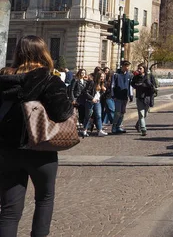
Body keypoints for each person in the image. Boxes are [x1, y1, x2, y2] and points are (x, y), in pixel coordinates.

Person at [0, 35, 74, 237]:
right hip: (41, 149)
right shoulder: (50, 80)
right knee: (44, 199)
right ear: (44, 54)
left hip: (7, 151)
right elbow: (62, 113)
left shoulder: (4, 79)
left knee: (9, 210)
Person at [132, 65, 157, 136]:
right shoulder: (136, 77)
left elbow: (154, 86)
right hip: (139, 97)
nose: (139, 70)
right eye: (138, 68)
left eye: (140, 68)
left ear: (144, 69)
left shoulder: (149, 76)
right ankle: (143, 129)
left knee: (145, 114)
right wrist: (137, 86)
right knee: (141, 114)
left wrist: (146, 85)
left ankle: (138, 125)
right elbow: (132, 84)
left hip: (147, 97)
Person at [82, 71, 108, 137]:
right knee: (88, 116)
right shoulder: (92, 82)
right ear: (98, 77)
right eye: (101, 77)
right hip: (90, 101)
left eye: (103, 77)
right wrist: (91, 98)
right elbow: (85, 92)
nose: (102, 78)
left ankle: (100, 130)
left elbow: (99, 94)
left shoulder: (102, 84)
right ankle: (84, 130)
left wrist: (103, 91)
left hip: (97, 101)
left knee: (98, 115)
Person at [111, 61, 133, 134]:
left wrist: (131, 95)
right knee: (117, 112)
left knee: (122, 112)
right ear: (122, 66)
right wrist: (113, 95)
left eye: (128, 66)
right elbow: (112, 85)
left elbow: (130, 86)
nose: (127, 68)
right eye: (126, 66)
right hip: (117, 97)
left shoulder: (129, 75)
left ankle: (119, 126)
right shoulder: (116, 74)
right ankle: (114, 126)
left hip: (125, 97)